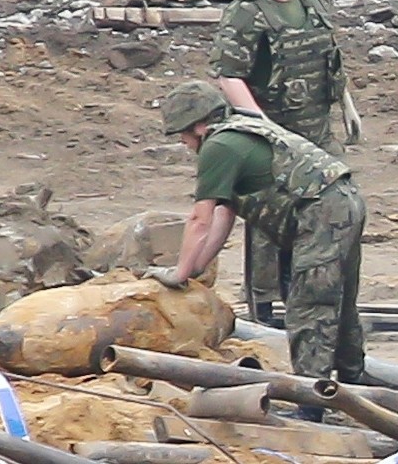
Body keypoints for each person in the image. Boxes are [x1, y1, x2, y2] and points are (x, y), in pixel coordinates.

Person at [147, 81, 366, 422]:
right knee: (338, 300)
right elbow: (226, 212)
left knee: (309, 308)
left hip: (321, 213)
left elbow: (199, 219)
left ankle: (312, 405)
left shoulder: (218, 146)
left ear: (199, 126)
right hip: (343, 201)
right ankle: (355, 381)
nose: (183, 144)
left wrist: (178, 272)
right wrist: (198, 266)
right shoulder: (244, 129)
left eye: (182, 135)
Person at [208, 0, 362, 324]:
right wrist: (261, 127)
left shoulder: (310, 1)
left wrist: (346, 103)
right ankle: (267, 308)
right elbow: (229, 74)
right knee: (270, 224)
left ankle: (324, 297)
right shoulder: (247, 12)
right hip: (275, 132)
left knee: (336, 208)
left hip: (318, 130)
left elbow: (328, 57)